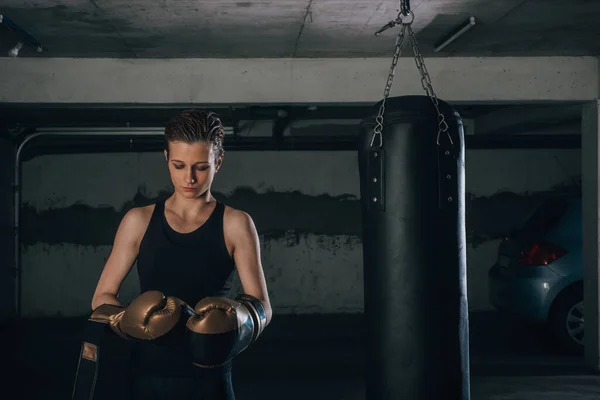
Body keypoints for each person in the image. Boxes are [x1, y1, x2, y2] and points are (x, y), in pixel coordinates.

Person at [90, 109, 273, 400]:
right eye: (179, 165)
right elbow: (101, 297)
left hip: (210, 379)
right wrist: (129, 319)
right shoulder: (139, 220)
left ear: (219, 162)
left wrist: (237, 321)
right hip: (146, 376)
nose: (189, 178)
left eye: (201, 167)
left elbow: (262, 305)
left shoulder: (236, 223)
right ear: (166, 159)